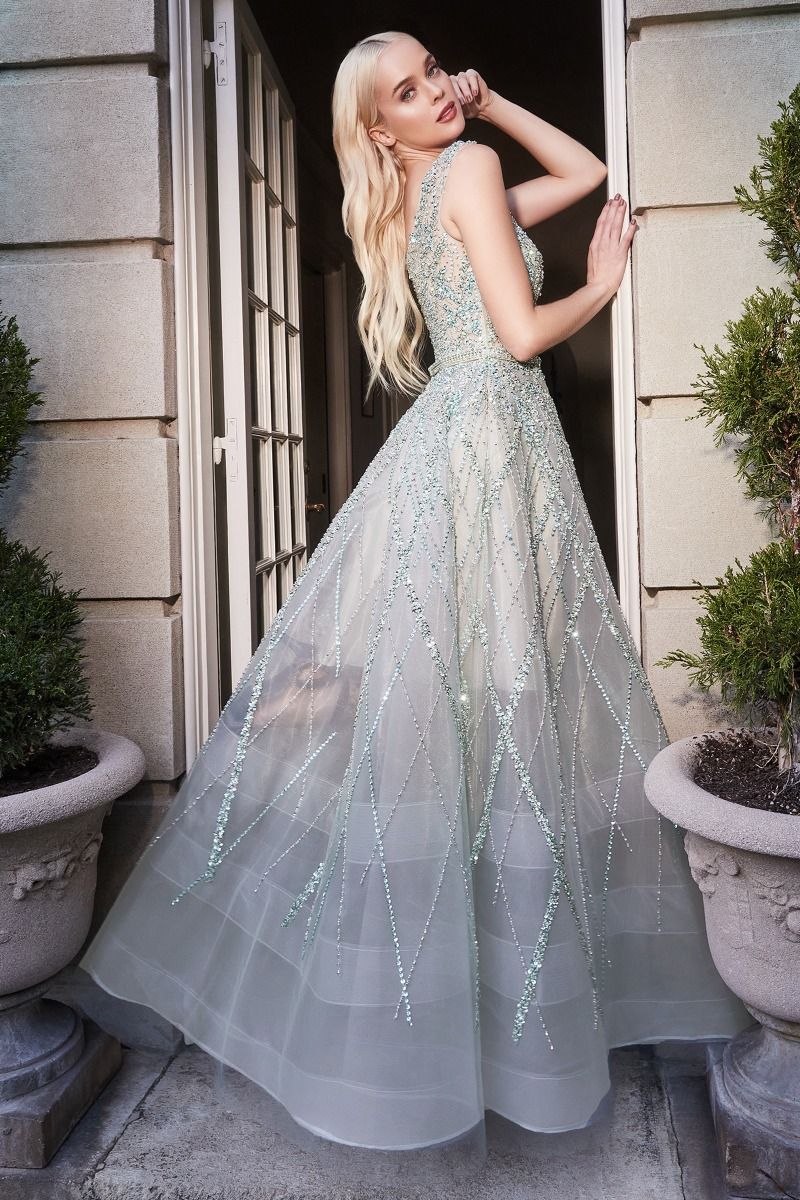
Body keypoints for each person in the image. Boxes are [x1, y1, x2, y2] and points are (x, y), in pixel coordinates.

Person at [79, 29, 750, 1157]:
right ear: (379, 130)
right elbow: (520, 334)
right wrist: (597, 282)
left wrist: (490, 103)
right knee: (503, 702)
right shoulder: (467, 172)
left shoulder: (427, 187)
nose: (436, 91)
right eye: (409, 90)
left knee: (449, 710)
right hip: (491, 443)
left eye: (435, 71)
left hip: (456, 444)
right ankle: (499, 1011)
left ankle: (436, 1009)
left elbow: (583, 172)